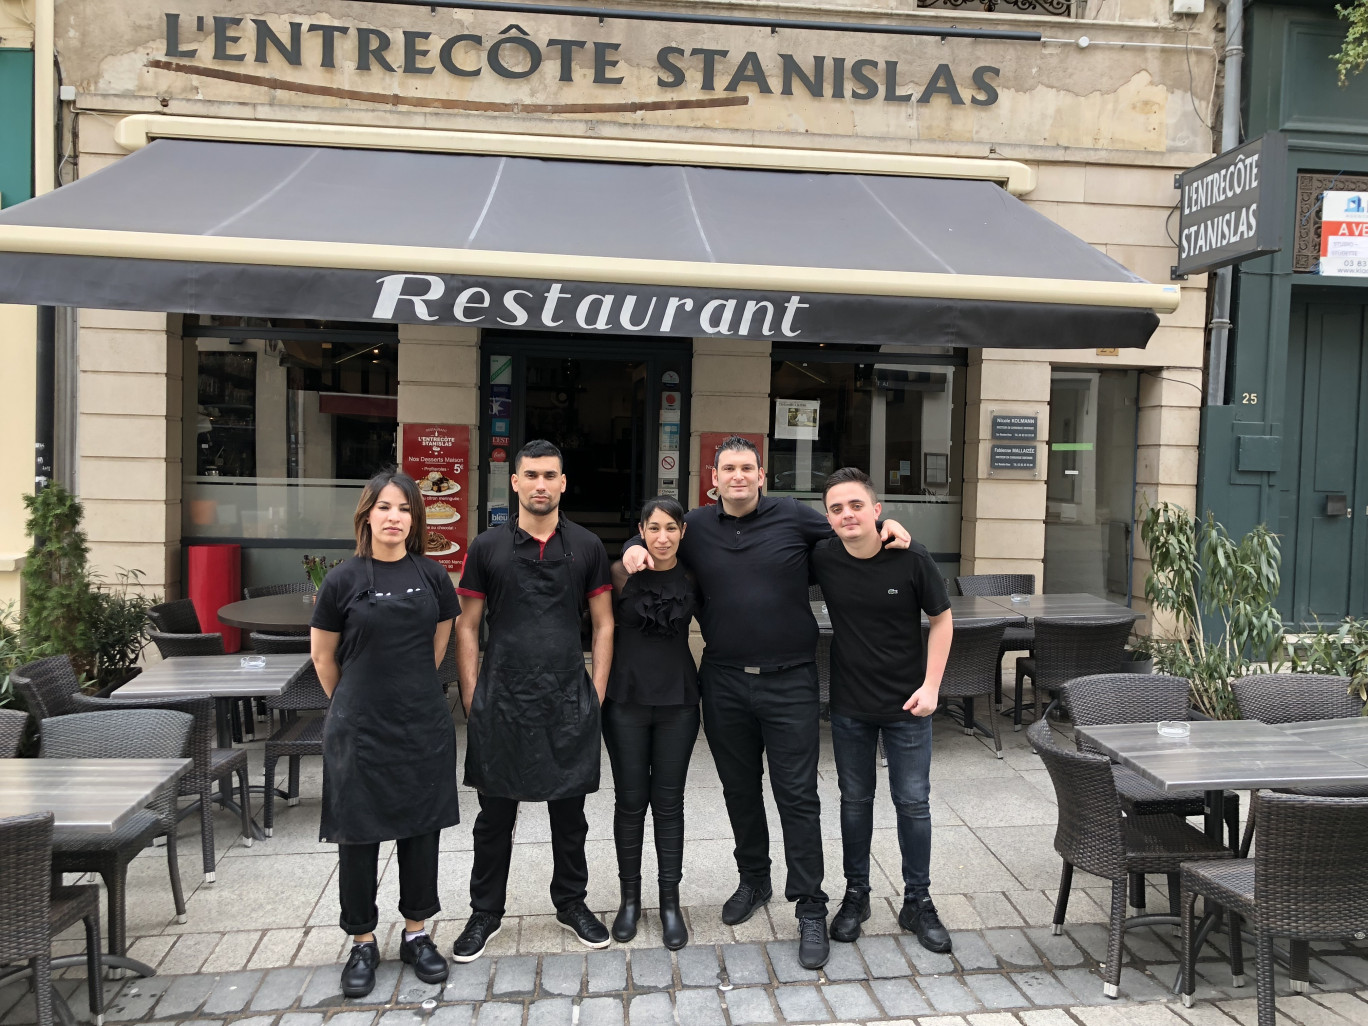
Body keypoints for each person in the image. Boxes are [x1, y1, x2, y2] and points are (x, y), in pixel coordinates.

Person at [622, 436, 909, 969]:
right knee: (738, 789)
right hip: (724, 679)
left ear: (761, 476)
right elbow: (656, 542)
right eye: (728, 467)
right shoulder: (696, 527)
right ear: (714, 475)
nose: (738, 475)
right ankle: (754, 880)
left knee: (797, 794)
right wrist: (629, 548)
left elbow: (853, 532)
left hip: (790, 679)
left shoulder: (796, 518)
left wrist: (885, 527)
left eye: (747, 467)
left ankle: (810, 906)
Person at [451, 439, 615, 961]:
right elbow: (468, 628)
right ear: (515, 482)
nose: (541, 484)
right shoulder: (487, 547)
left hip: (569, 698)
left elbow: (605, 625)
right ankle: (485, 913)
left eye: (550, 475)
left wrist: (597, 693)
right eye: (531, 475)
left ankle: (572, 903)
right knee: (494, 816)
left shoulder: (587, 547)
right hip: (501, 699)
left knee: (571, 816)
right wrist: (474, 697)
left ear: (564, 482)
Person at [310, 469, 462, 998]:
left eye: (404, 509)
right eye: (385, 508)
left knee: (422, 831)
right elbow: (323, 658)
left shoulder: (434, 577)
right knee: (358, 834)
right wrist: (354, 704)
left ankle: (418, 934)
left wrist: (408, 692)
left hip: (421, 722)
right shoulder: (342, 580)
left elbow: (437, 648)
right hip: (359, 727)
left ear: (416, 519)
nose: (394, 518)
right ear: (367, 515)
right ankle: (362, 940)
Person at [811, 467, 953, 953]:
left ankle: (918, 900)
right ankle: (856, 896)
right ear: (827, 518)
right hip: (850, 705)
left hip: (908, 706)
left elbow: (942, 620)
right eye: (836, 508)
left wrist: (933, 687)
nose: (846, 514)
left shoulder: (911, 557)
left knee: (913, 803)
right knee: (855, 802)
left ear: (876, 510)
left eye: (855, 505)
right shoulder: (824, 556)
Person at [604, 496, 700, 950]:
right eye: (653, 528)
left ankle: (669, 902)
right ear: (641, 529)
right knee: (629, 801)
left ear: (683, 530)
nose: (662, 537)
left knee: (669, 803)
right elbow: (598, 628)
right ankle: (628, 900)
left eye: (671, 528)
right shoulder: (621, 572)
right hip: (625, 698)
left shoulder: (695, 573)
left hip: (679, 700)